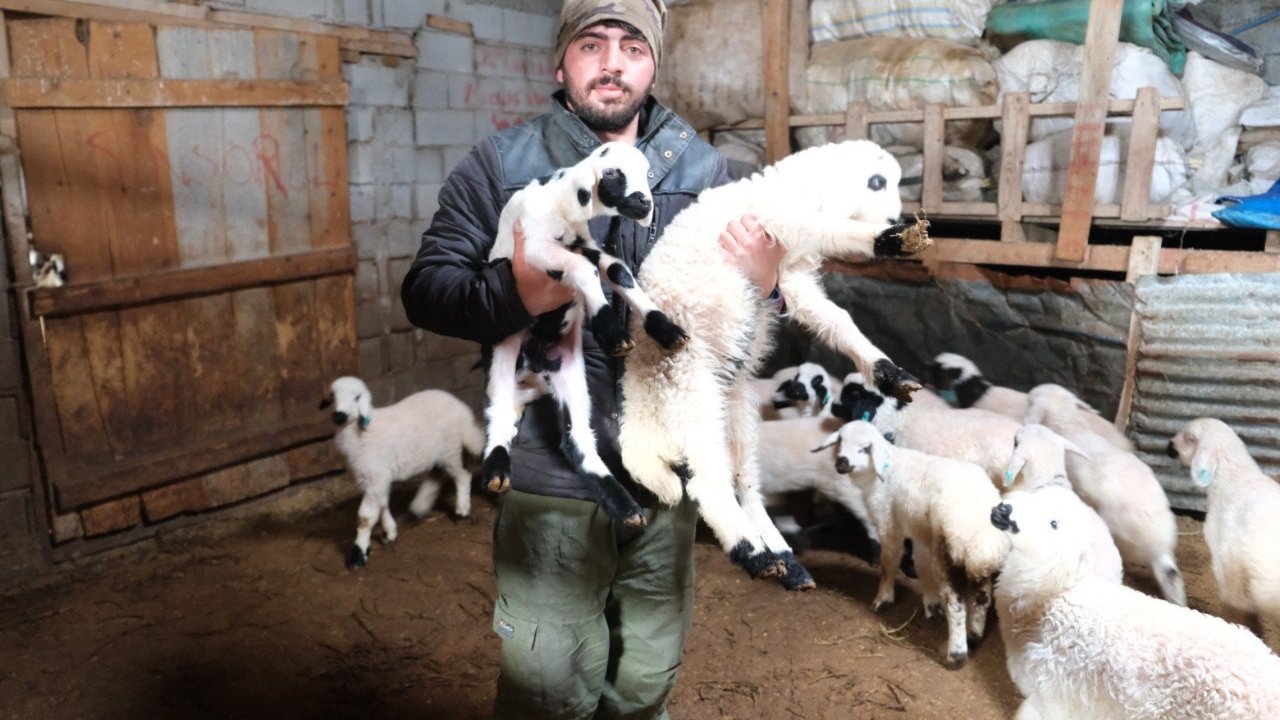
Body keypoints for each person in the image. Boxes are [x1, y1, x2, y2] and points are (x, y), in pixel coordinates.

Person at [401, 0, 785, 716]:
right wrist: (514, 293)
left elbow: (753, 315)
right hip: (552, 481)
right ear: (561, 62)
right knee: (548, 688)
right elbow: (427, 289)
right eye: (591, 44)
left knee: (645, 677)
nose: (612, 63)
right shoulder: (501, 165)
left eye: (632, 47)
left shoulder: (707, 173)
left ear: (654, 64)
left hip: (665, 476)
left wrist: (767, 287)